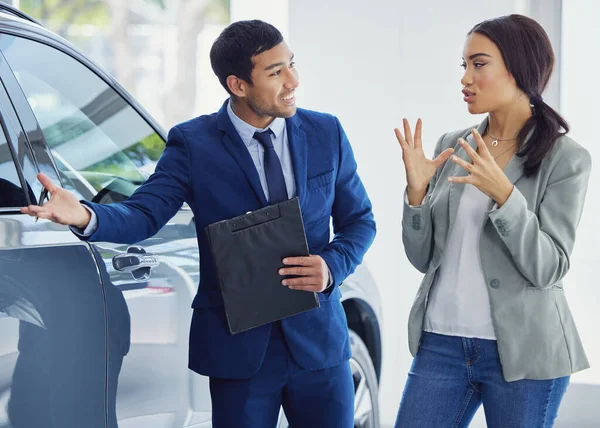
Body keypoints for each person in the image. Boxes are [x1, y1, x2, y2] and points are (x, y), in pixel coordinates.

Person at [21, 20, 375, 427]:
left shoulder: (325, 131)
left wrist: (332, 266)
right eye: (276, 72)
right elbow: (145, 213)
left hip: (319, 345)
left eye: (291, 64)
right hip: (240, 350)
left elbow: (360, 221)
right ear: (238, 85)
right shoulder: (193, 143)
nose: (293, 80)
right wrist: (86, 214)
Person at [393, 14, 591, 428]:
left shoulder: (565, 158)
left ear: (519, 68)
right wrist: (415, 194)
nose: (465, 77)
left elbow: (549, 267)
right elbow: (422, 256)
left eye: (478, 64)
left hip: (524, 352)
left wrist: (504, 196)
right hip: (441, 343)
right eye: (463, 65)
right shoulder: (453, 145)